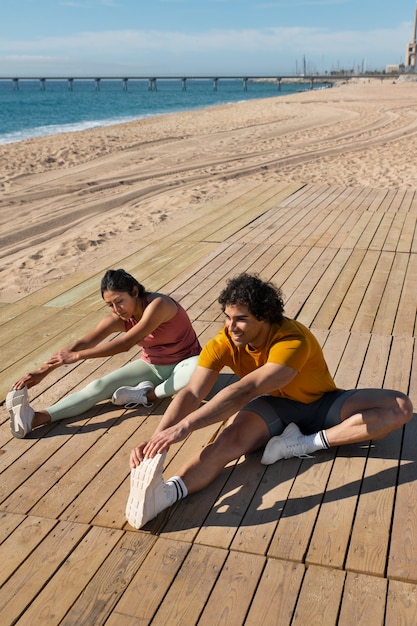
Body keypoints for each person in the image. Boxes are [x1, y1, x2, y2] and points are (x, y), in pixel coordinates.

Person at [126, 273, 413, 529]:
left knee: (399, 407)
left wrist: (186, 426)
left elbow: (244, 390)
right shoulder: (223, 342)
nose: (231, 327)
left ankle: (303, 443)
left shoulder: (291, 340)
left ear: (265, 317)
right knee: (227, 443)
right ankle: (167, 494)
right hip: (274, 406)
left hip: (322, 402)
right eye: (227, 316)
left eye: (241, 319)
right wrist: (159, 437)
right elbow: (191, 393)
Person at [6, 268, 201, 438]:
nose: (116, 309)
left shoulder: (159, 305)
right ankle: (34, 418)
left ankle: (146, 395)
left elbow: (126, 343)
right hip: (152, 366)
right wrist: (43, 371)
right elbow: (83, 342)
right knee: (98, 386)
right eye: (109, 304)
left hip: (185, 363)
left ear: (134, 291)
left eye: (120, 301)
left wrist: (78, 357)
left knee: (196, 369)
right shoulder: (118, 318)